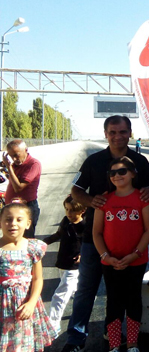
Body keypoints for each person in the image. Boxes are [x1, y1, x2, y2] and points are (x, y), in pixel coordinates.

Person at [61, 115, 149, 352]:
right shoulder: (93, 161)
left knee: (123, 295)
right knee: (86, 289)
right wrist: (91, 201)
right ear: (106, 134)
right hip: (95, 239)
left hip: (130, 242)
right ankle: (76, 340)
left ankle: (114, 334)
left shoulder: (140, 161)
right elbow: (76, 190)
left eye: (122, 132)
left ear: (130, 133)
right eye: (112, 132)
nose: (117, 136)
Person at [93, 157, 149, 352]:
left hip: (136, 261)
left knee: (133, 300)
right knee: (113, 302)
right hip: (110, 262)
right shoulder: (104, 200)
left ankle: (132, 343)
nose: (117, 176)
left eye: (122, 171)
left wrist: (135, 254)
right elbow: (97, 232)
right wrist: (105, 256)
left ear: (133, 174)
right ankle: (114, 344)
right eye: (112, 173)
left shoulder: (143, 199)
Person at [0, 203, 57, 351]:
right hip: (2, 306)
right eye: (8, 219)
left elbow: (38, 278)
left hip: (24, 306)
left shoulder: (32, 248)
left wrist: (31, 303)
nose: (13, 223)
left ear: (28, 223)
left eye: (19, 219)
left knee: (22, 343)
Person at [43, 195, 86, 334]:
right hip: (63, 261)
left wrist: (82, 255)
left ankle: (53, 325)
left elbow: (88, 243)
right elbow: (58, 234)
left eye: (72, 210)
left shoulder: (84, 226)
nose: (68, 213)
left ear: (82, 211)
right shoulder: (66, 221)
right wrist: (42, 242)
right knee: (74, 290)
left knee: (60, 295)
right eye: (67, 209)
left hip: (73, 266)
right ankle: (84, 308)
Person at [2, 139, 42, 238]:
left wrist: (9, 168)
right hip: (12, 207)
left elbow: (18, 188)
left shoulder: (33, 164)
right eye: (11, 156)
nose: (14, 159)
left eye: (16, 155)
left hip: (26, 207)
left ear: (26, 150)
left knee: (25, 240)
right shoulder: (15, 165)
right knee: (11, 238)